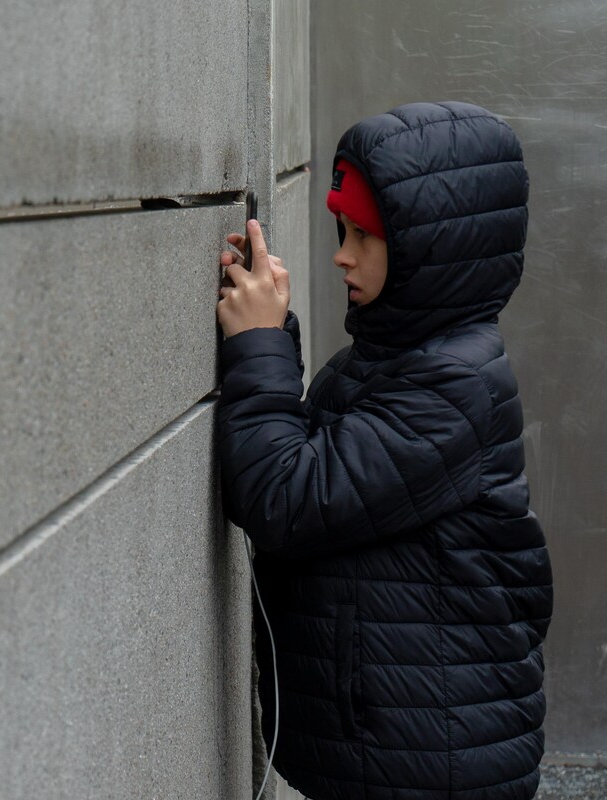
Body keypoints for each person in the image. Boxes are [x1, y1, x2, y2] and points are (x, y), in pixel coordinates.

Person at [216, 101, 553, 800]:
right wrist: (270, 327)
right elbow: (322, 454)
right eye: (341, 229)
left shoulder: (450, 388)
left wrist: (261, 344)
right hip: (408, 740)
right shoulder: (395, 359)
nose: (342, 253)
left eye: (365, 236)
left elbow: (287, 496)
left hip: (438, 757)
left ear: (435, 251)